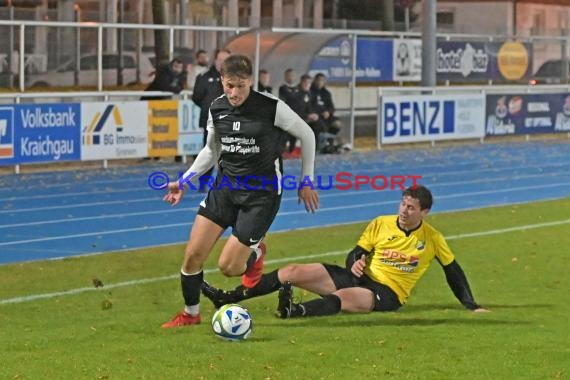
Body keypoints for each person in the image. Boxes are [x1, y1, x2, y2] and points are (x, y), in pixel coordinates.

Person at [161, 54, 320, 328]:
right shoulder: (217, 108)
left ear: (251, 82)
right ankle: (190, 313)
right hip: (224, 189)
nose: (235, 93)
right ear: (222, 81)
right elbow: (212, 150)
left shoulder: (271, 107)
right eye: (230, 85)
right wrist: (184, 180)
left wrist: (307, 180)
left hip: (261, 196)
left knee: (229, 268)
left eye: (241, 86)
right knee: (192, 256)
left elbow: (307, 134)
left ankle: (256, 253)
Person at [202, 185, 489, 318]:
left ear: (424, 212)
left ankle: (294, 311)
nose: (404, 210)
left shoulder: (433, 238)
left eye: (411, 207)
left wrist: (471, 304)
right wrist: (354, 263)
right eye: (402, 204)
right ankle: (228, 298)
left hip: (387, 292)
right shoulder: (381, 223)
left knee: (341, 298)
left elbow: (453, 271)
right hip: (359, 278)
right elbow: (357, 252)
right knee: (291, 272)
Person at [192, 48, 231, 179]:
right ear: (215, 60)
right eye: (220, 59)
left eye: (226, 60)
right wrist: (207, 108)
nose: (223, 62)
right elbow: (196, 97)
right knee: (209, 152)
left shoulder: (235, 78)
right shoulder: (204, 77)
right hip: (210, 122)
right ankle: (204, 180)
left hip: (231, 121)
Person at [310, 73, 343, 153]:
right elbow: (309, 106)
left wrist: (328, 112)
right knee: (318, 125)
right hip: (316, 116)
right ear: (315, 81)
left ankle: (329, 144)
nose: (320, 82)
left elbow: (332, 107)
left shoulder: (326, 93)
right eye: (318, 80)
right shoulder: (310, 91)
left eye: (322, 81)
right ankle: (317, 147)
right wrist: (318, 113)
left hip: (326, 116)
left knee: (337, 123)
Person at [278, 68, 300, 154]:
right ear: (285, 77)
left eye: (292, 76)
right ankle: (282, 151)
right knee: (284, 135)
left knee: (293, 136)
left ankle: (291, 151)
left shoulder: (298, 88)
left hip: (296, 116)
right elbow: (286, 101)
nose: (291, 77)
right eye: (289, 76)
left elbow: (299, 102)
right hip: (286, 117)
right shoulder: (282, 88)